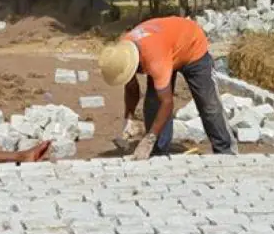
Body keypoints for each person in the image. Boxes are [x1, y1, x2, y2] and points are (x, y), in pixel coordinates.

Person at [97, 16, 237, 160]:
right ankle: (158, 154)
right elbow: (132, 88)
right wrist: (129, 119)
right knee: (153, 104)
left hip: (192, 46)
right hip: (167, 47)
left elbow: (167, 103)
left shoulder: (154, 59)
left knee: (209, 105)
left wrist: (149, 138)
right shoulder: (124, 54)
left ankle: (226, 152)